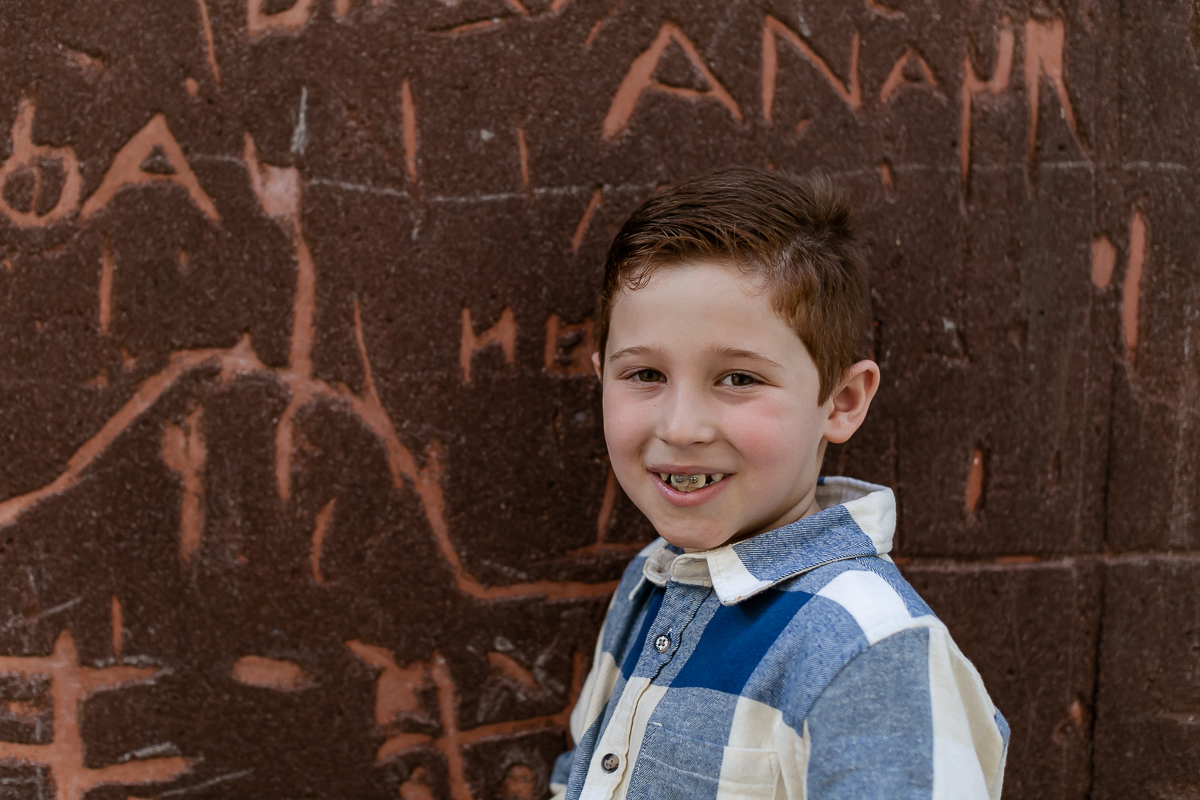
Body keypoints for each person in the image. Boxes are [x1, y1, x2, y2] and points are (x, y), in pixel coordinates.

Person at [549, 168, 1008, 800]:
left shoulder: (869, 649)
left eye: (738, 379)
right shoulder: (650, 581)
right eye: (645, 374)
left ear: (842, 400)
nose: (680, 427)